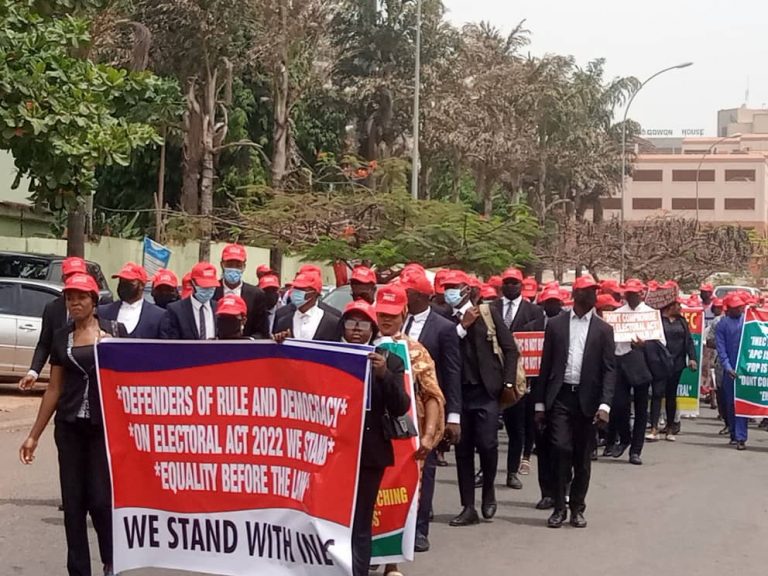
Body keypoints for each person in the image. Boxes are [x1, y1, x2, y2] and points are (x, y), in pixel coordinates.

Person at [19, 273, 126, 576]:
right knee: (74, 506)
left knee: (101, 501)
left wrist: (114, 349)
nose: (75, 302)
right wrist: (33, 436)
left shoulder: (115, 331)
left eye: (81, 297)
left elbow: (130, 379)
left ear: (94, 300)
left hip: (102, 429)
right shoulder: (61, 336)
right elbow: (54, 388)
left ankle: (111, 560)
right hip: (69, 429)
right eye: (70, 297)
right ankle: (78, 571)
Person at [374, 284, 445, 576]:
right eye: (381, 314)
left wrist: (429, 437)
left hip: (404, 436)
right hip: (368, 437)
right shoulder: (363, 344)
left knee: (401, 498)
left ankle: (393, 562)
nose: (386, 320)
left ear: (403, 312)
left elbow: (432, 396)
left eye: (392, 315)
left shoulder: (414, 352)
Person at [534, 275, 615, 528]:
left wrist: (605, 406)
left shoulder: (604, 329)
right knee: (559, 450)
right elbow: (545, 366)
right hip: (560, 397)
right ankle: (559, 506)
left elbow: (609, 370)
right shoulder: (556, 325)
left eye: (595, 292)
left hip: (588, 401)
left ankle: (577, 508)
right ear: (577, 295)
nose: (593, 296)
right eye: (589, 292)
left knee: (582, 457)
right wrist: (539, 404)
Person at [442, 270, 519, 527]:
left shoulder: (487, 313)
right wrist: (461, 327)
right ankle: (467, 506)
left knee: (487, 444)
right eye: (446, 287)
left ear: (468, 289)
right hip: (457, 394)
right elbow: (441, 348)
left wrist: (507, 382)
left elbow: (510, 349)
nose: (449, 291)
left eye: (454, 287)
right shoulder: (443, 319)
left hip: (486, 392)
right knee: (462, 449)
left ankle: (488, 489)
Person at [343, 300, 411, 576]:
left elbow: (400, 406)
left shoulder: (389, 359)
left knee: (360, 522)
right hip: (333, 453)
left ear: (372, 328)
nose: (356, 330)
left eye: (362, 324)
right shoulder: (326, 352)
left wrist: (383, 375)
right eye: (350, 323)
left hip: (370, 454)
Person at [398, 273, 460, 552]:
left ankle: (420, 529)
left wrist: (453, 416)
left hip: (426, 411)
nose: (402, 297)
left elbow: (451, 372)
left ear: (421, 296)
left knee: (426, 468)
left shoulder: (444, 328)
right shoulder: (389, 324)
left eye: (406, 292)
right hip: (395, 410)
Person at [493, 267, 541, 490]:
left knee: (516, 428)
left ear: (521, 285)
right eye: (507, 282)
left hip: (520, 377)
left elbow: (537, 345)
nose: (511, 286)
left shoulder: (534, 312)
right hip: (492, 374)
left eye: (515, 282)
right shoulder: (490, 308)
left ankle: (512, 471)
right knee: (488, 428)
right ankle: (486, 470)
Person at [605, 279, 657, 464]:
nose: (630, 296)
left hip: (641, 363)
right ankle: (625, 438)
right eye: (628, 293)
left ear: (641, 294)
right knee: (619, 405)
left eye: (634, 293)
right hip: (620, 363)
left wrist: (645, 345)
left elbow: (661, 343)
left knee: (642, 409)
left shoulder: (651, 315)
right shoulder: (617, 314)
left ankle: (636, 450)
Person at [18, 256, 87, 391]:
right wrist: (33, 372)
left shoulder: (97, 309)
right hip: (59, 378)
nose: (74, 279)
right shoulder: (53, 309)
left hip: (85, 379)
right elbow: (45, 343)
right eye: (70, 275)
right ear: (64, 279)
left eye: (79, 275)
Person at [648, 299, 697, 442]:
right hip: (659, 363)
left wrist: (692, 358)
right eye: (678, 305)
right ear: (670, 306)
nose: (680, 307)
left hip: (677, 363)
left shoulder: (682, 321)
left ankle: (670, 428)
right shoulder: (658, 320)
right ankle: (654, 428)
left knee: (671, 395)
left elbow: (688, 341)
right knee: (657, 394)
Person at [214, 243, 270, 338]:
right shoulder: (212, 291)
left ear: (244, 266)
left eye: (238, 265)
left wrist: (247, 342)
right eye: (229, 264)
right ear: (222, 264)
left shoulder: (256, 295)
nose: (233, 269)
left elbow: (262, 331)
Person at [715, 293, 748, 450]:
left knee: (743, 403)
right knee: (731, 404)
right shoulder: (723, 324)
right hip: (730, 370)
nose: (739, 309)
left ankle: (741, 437)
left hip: (747, 369)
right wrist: (728, 367)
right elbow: (721, 349)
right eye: (736, 307)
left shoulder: (747, 322)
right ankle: (734, 433)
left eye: (741, 306)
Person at [98, 262, 164, 339]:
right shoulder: (103, 312)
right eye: (121, 281)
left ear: (142, 285)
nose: (124, 285)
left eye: (129, 282)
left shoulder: (158, 315)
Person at [272, 272, 341, 341]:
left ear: (314, 293)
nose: (296, 292)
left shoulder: (332, 323)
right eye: (295, 288)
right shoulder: (283, 322)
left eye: (301, 289)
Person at [161, 262, 220, 340]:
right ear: (192, 283)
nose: (207, 289)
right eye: (203, 286)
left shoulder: (219, 309)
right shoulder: (176, 310)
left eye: (211, 286)